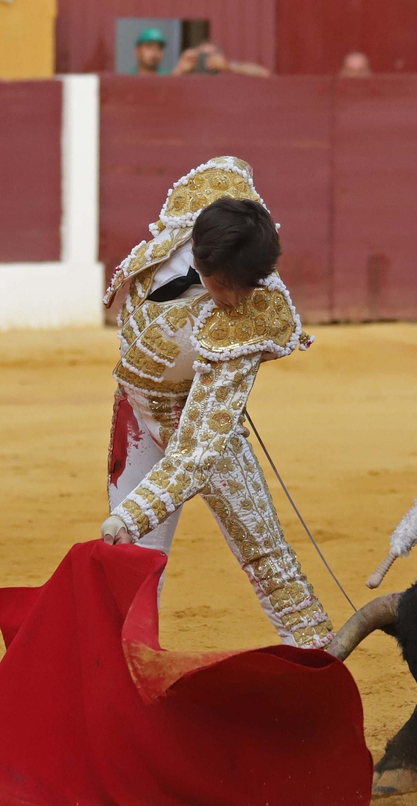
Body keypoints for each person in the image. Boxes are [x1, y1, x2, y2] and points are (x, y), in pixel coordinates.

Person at [99, 157, 332, 651]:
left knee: (264, 553)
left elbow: (199, 449)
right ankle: (129, 675)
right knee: (133, 563)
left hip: (198, 422)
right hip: (136, 411)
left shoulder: (249, 317)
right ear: (206, 261)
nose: (240, 298)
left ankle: (317, 661)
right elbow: (230, 165)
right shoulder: (210, 199)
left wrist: (133, 512)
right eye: (232, 285)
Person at [174, 42, 270, 77]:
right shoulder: (189, 77)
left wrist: (229, 66)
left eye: (211, 56)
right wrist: (180, 69)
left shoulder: (227, 76)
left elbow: (264, 74)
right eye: (202, 56)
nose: (206, 60)